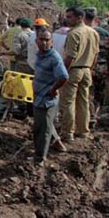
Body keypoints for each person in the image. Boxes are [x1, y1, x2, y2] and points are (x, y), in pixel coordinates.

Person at [59, 7, 99, 141]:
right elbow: (95, 55)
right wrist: (91, 69)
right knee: (83, 102)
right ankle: (83, 132)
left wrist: (62, 73)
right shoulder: (93, 32)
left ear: (79, 18)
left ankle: (68, 133)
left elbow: (70, 57)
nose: (67, 19)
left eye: (70, 17)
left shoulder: (74, 33)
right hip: (87, 69)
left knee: (68, 102)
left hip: (74, 70)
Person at [32, 29, 69, 165]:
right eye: (41, 39)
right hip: (38, 97)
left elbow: (63, 77)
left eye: (47, 40)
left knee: (44, 131)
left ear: (51, 41)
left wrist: (53, 90)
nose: (44, 42)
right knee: (39, 128)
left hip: (46, 99)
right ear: (36, 41)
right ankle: (43, 151)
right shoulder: (40, 55)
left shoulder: (54, 57)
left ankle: (40, 159)